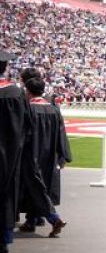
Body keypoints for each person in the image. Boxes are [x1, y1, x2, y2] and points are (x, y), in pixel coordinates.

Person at [18, 77, 69, 236]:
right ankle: (31, 221)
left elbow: (22, 134)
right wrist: (62, 155)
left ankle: (54, 218)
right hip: (49, 156)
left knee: (36, 188)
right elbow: (61, 133)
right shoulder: (53, 110)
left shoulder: (28, 109)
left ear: (28, 91)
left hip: (31, 154)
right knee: (39, 188)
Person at [0, 50, 28, 253]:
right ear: (5, 67)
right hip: (7, 154)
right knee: (5, 193)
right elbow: (25, 125)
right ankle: (2, 240)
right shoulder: (15, 93)